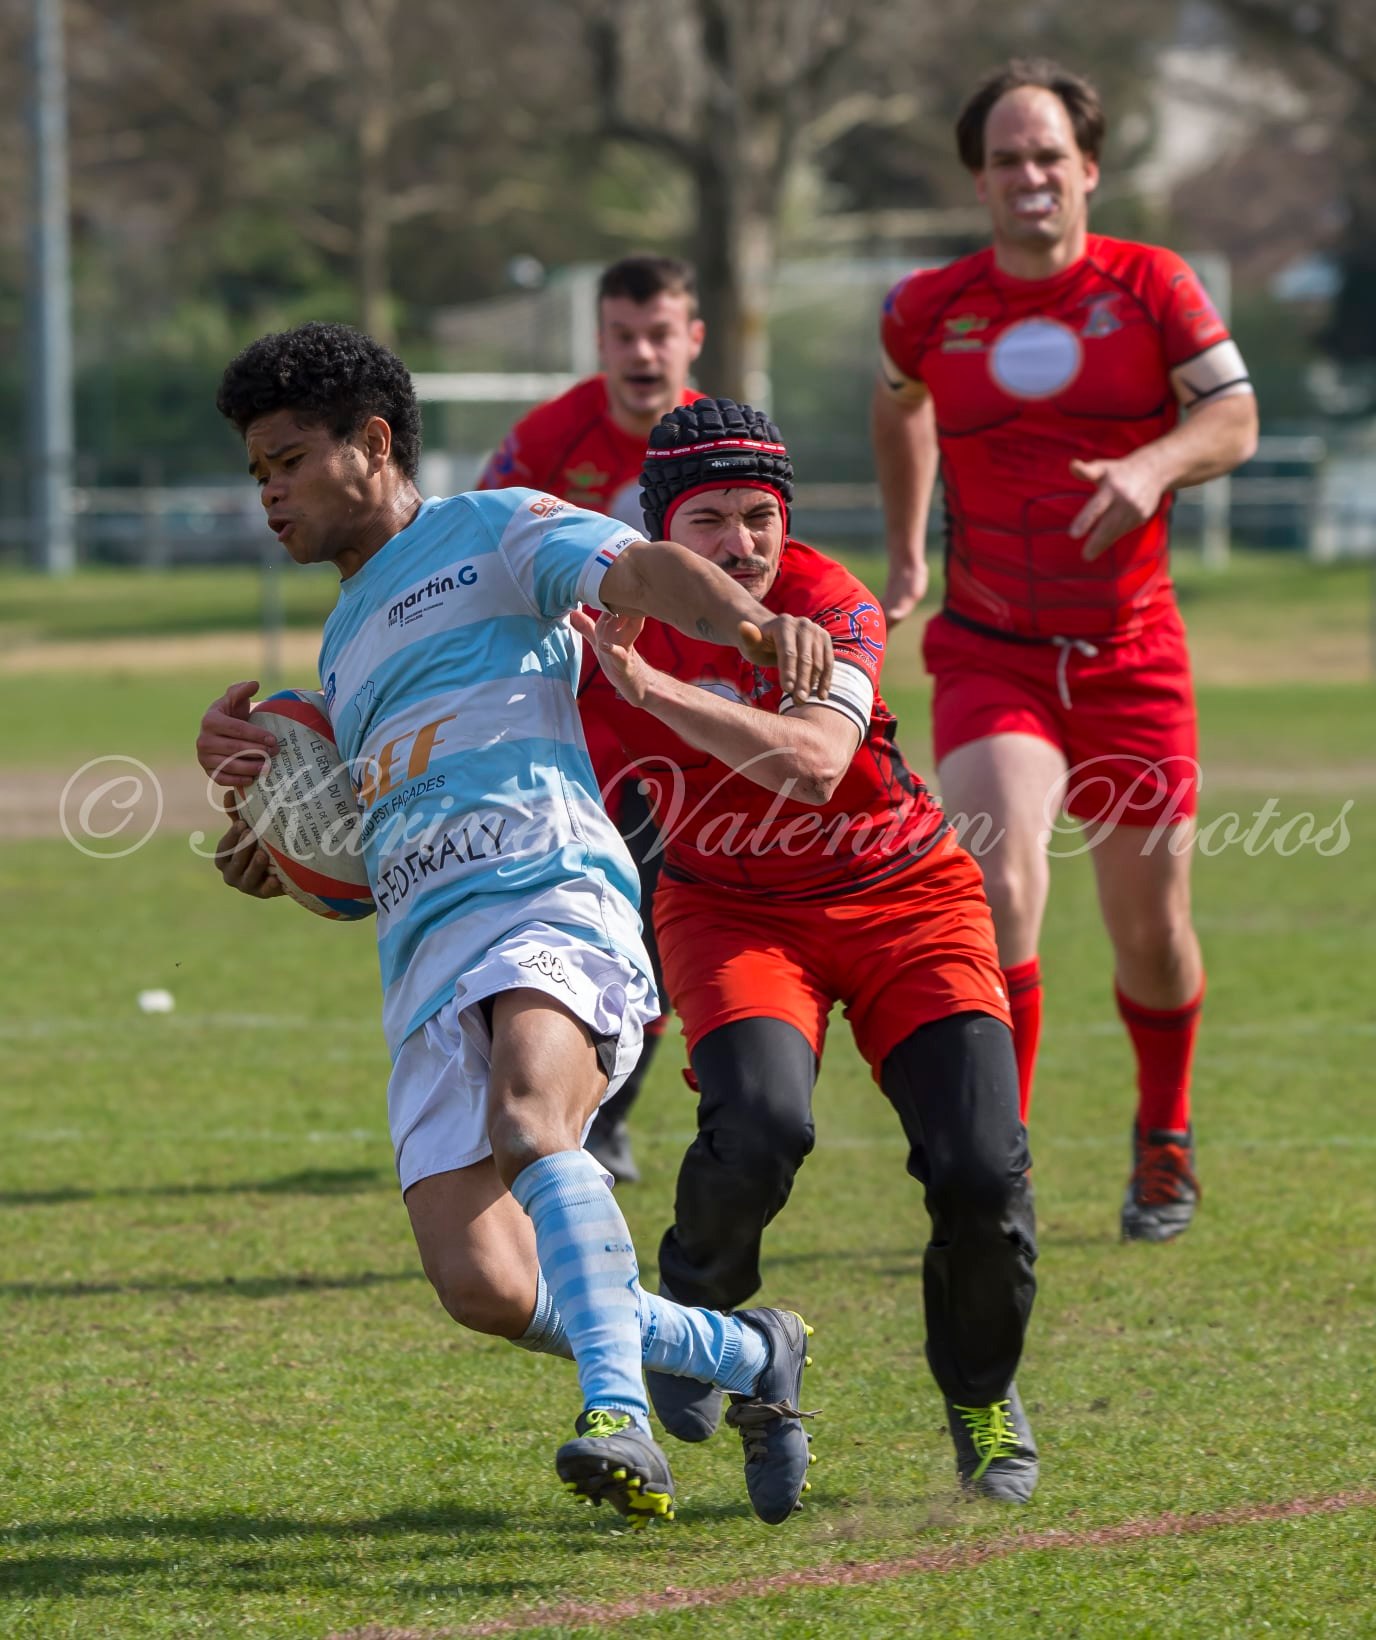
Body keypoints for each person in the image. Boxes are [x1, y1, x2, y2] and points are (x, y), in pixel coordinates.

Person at [193, 321, 831, 1527]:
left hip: (548, 891)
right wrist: (273, 840)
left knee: (535, 1116)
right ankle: (748, 1355)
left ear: (370, 444)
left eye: (285, 460)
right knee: (483, 1282)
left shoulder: (492, 530)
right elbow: (359, 841)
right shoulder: (341, 640)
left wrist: (750, 626)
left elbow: (639, 570)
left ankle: (618, 1414)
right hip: (426, 957)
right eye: (255, 471)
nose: (267, 492)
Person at [576, 397, 1039, 1503]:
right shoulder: (593, 633)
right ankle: (696, 1319)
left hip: (907, 896)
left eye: (758, 517)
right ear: (656, 535)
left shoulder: (829, 601)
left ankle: (980, 1392)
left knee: (979, 1170)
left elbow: (818, 765)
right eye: (708, 521)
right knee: (758, 1128)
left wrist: (652, 690)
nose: (741, 544)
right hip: (731, 909)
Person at [870, 59, 1259, 1242]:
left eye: (1047, 157)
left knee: (1149, 925)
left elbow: (1231, 416)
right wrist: (903, 553)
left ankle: (1163, 1134)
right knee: (994, 882)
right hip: (989, 646)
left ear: (1086, 171)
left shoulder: (1150, 286)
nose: (1028, 176)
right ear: (977, 180)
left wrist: (1148, 466)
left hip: (1131, 651)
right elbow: (898, 407)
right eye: (1005, 159)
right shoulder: (928, 307)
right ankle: (1000, 1167)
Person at [478, 253, 708, 1183]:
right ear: (600, 340)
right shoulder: (548, 436)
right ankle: (546, 1098)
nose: (642, 353)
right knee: (566, 908)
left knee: (664, 921)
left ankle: (605, 1111)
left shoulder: (715, 440)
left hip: (683, 719)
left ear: (692, 338)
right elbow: (482, 536)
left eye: (660, 334)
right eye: (623, 335)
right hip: (568, 720)